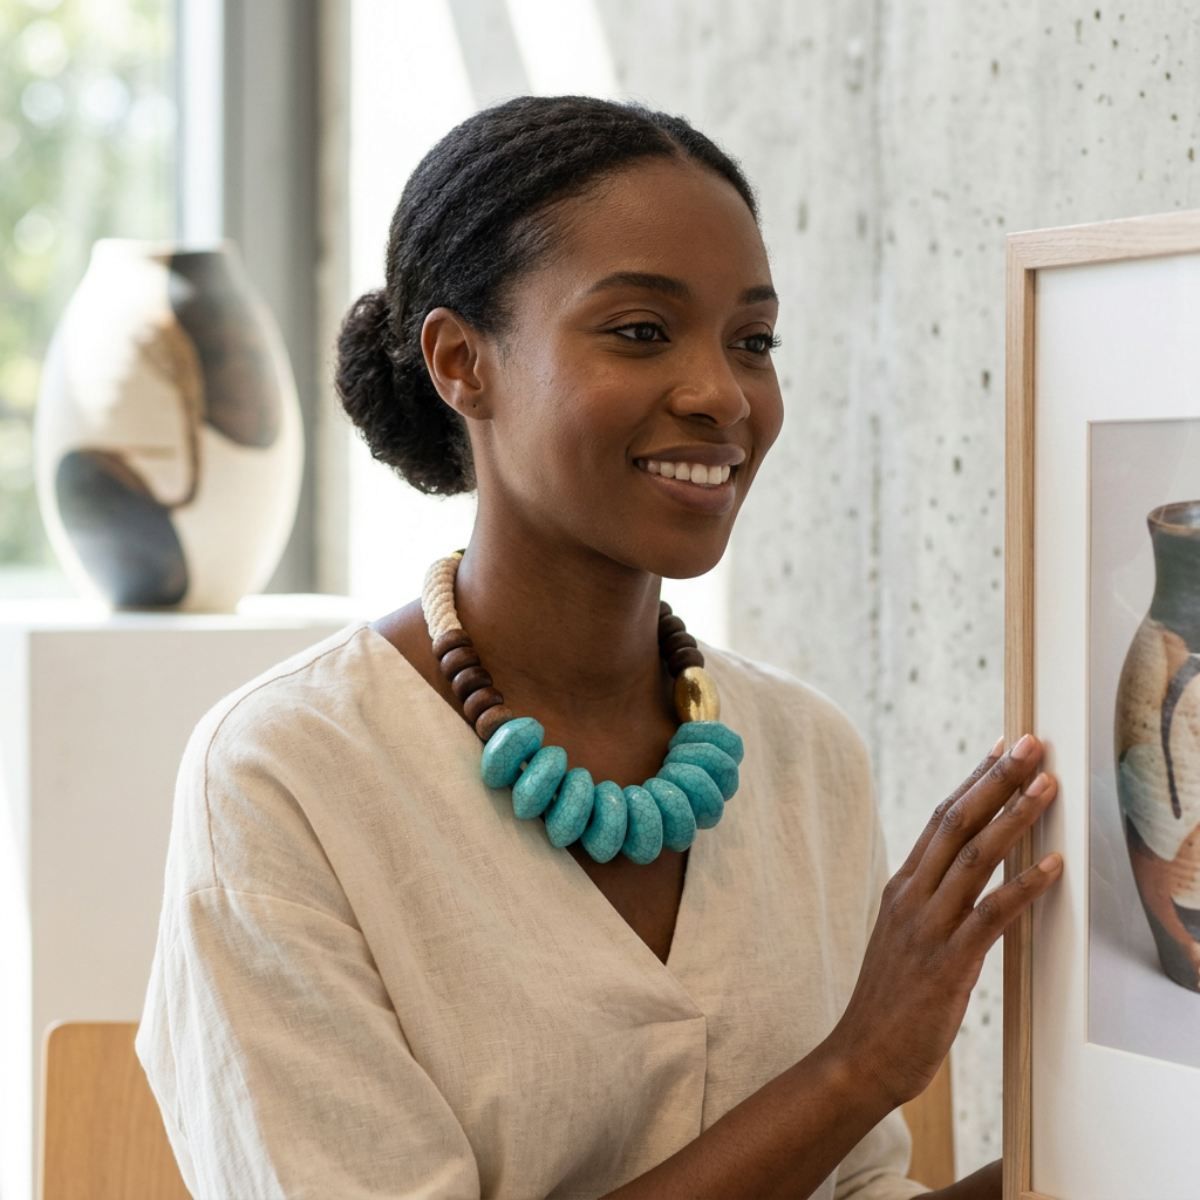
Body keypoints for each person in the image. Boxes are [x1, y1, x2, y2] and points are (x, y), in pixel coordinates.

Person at [135, 94, 1062, 1200]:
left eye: (754, 341)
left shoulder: (807, 756)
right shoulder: (281, 780)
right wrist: (857, 1067)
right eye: (640, 331)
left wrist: (1111, 1140)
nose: (723, 394)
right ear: (459, 361)